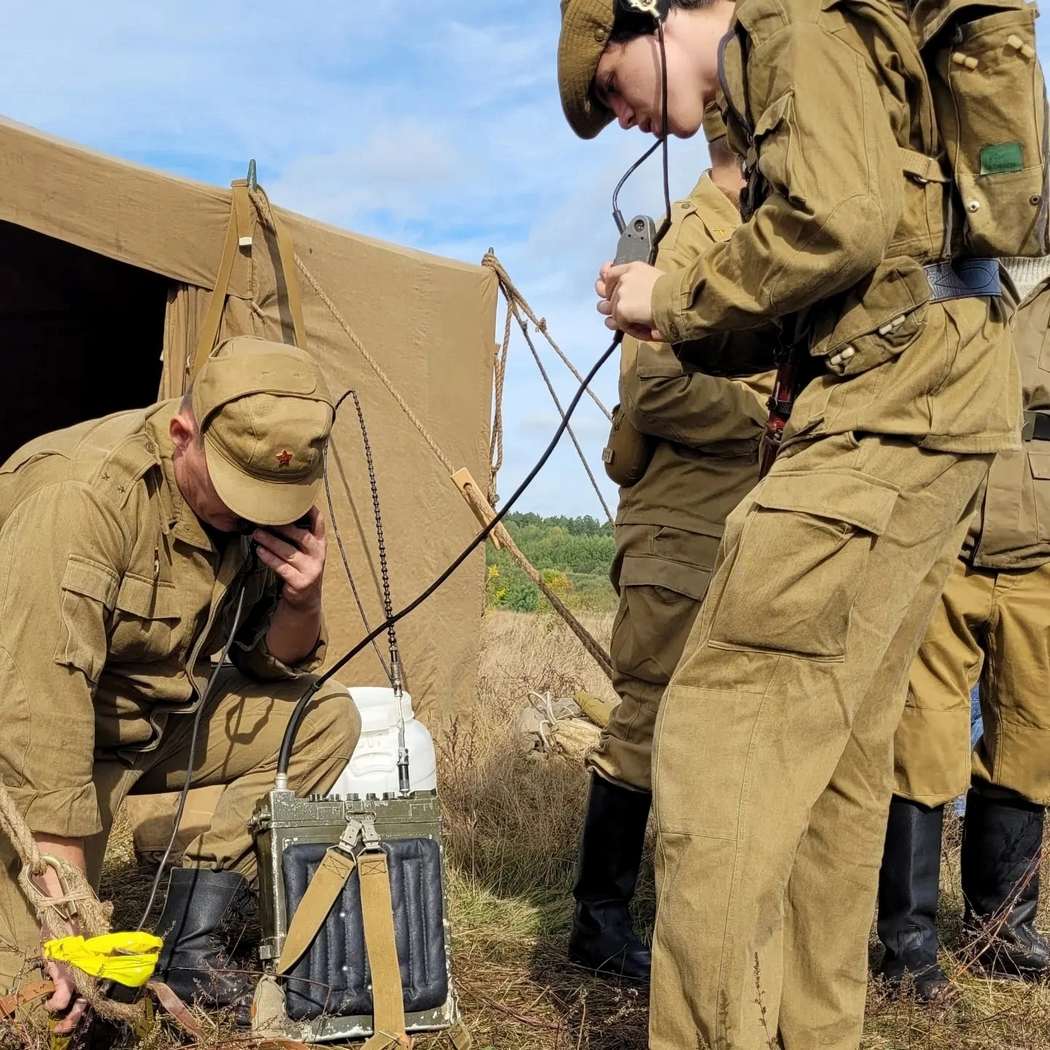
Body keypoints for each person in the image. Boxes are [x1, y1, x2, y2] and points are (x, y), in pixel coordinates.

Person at [557, 1, 1019, 1047]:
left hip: (881, 414)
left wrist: (673, 297)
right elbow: (834, 268)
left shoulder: (787, 23)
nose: (628, 120)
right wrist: (672, 308)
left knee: (716, 758)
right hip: (920, 407)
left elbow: (837, 224)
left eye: (615, 86)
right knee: (835, 779)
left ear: (649, 13)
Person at [0, 336, 361, 1031]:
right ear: (181, 433)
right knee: (40, 1006)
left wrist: (303, 600)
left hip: (155, 725)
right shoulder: (83, 497)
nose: (250, 514)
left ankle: (189, 936)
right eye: (234, 492)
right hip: (40, 747)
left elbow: (267, 664)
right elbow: (35, 720)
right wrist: (67, 915)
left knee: (325, 717)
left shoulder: (263, 503)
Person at [571, 105, 773, 983]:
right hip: (680, 532)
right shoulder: (696, 233)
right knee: (646, 724)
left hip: (730, 524)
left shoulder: (753, 235)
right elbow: (654, 391)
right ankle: (599, 922)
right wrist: (771, 412)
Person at [877, 256, 1050, 999]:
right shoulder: (949, 262)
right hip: (944, 529)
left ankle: (1000, 931)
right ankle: (907, 939)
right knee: (921, 733)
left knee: (1030, 735)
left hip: (1043, 546)